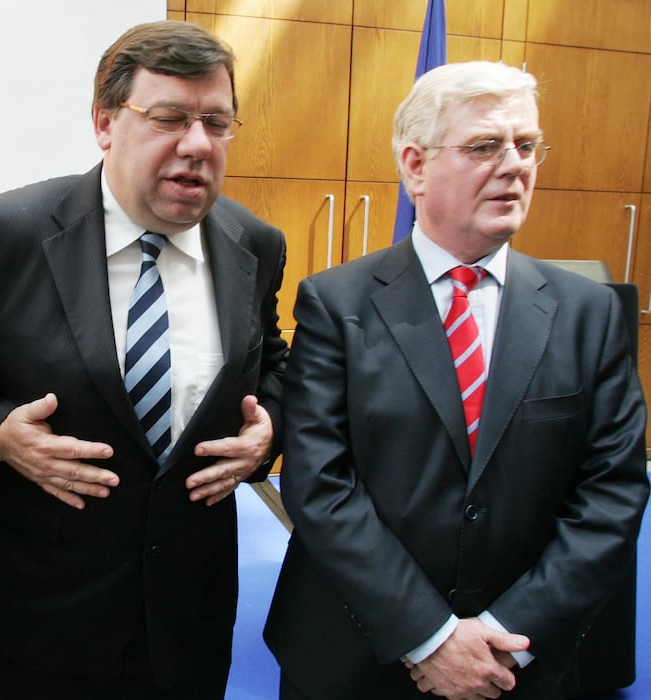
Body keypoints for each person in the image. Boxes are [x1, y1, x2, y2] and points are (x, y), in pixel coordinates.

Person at [0, 19, 287, 699]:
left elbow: (273, 361)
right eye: (169, 118)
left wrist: (269, 431)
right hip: (48, 615)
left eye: (217, 123)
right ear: (105, 123)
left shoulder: (255, 244)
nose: (197, 145)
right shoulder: (11, 233)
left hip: (190, 613)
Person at [264, 60, 649, 700]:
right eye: (484, 146)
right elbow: (320, 484)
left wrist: (507, 633)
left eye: (527, 145)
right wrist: (431, 637)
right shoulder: (336, 304)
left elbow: (611, 494)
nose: (515, 164)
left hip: (519, 664)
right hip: (357, 656)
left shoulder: (591, 313)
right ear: (415, 166)